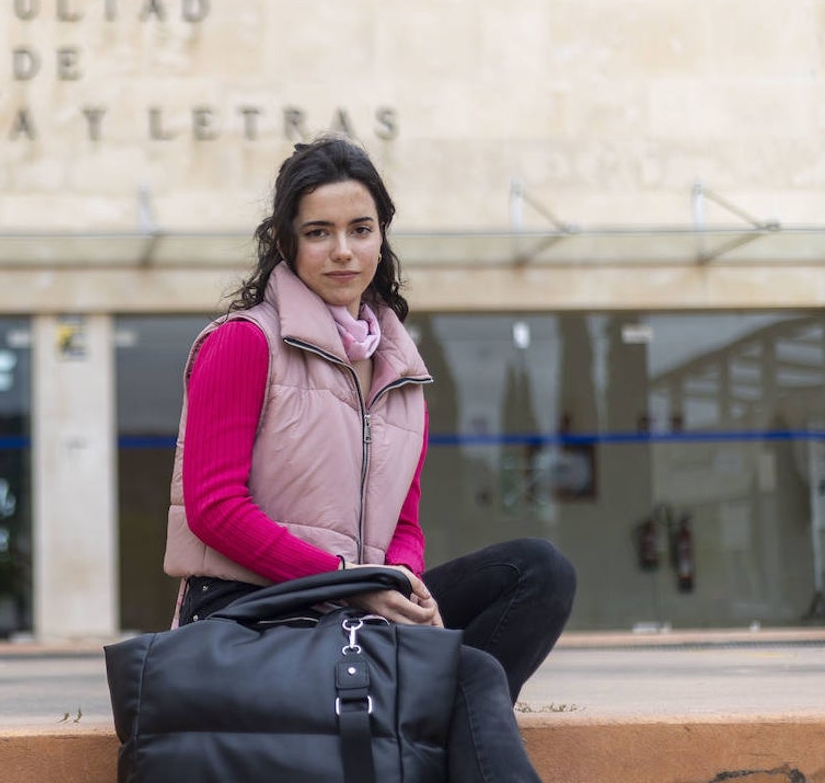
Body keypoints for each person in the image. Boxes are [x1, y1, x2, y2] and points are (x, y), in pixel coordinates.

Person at [163, 135, 577, 781]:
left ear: (382, 236)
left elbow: (403, 525)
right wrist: (356, 585)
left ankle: (411, 716)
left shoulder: (399, 372)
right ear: (286, 242)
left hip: (354, 609)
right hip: (253, 616)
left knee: (538, 571)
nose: (343, 251)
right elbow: (214, 510)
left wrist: (403, 584)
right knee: (470, 672)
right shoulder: (244, 344)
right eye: (319, 232)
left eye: (361, 229)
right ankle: (423, 723)